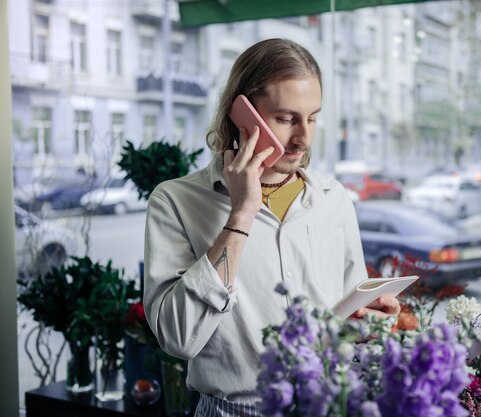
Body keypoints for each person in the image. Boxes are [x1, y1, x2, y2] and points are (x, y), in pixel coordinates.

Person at [143, 38, 400, 417]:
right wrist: (241, 215)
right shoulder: (174, 202)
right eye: (285, 118)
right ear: (241, 112)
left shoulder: (333, 199)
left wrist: (366, 328)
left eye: (312, 117)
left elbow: (346, 325)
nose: (304, 138)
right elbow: (177, 338)